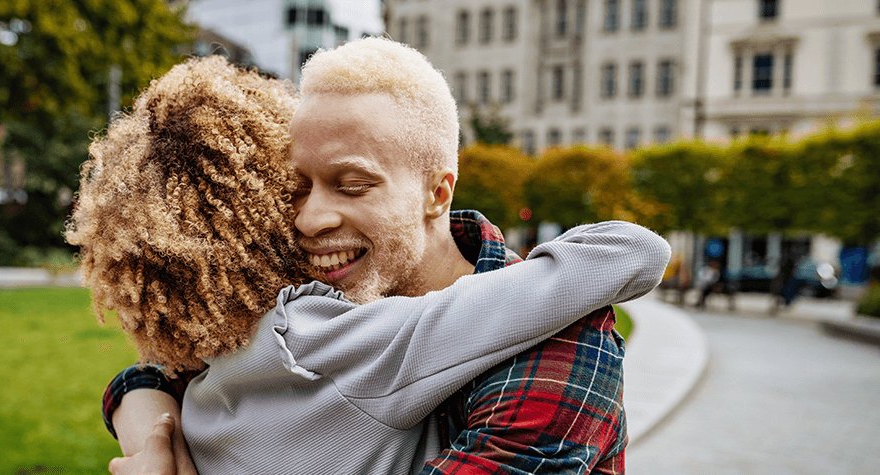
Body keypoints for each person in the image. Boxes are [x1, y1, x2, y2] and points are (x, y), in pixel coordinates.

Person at [100, 38, 667, 474]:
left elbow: (633, 251)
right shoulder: (300, 312)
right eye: (296, 186)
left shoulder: (559, 341)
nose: (308, 218)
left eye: (352, 185)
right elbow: (156, 373)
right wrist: (148, 424)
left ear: (437, 192)